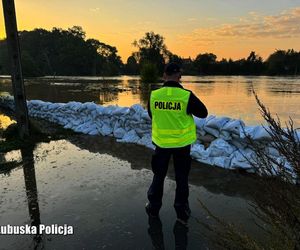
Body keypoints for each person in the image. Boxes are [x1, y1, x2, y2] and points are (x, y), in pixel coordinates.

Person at [146, 62, 208, 225]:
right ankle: (181, 213)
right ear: (179, 76)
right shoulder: (186, 96)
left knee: (158, 176)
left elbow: (152, 115)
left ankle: (153, 208)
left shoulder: (154, 95)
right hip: (182, 145)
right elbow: (203, 113)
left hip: (161, 144)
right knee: (181, 178)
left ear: (164, 75)